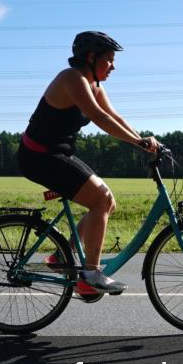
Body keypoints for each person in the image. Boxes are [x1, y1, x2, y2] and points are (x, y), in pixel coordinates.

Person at [17, 31, 159, 294]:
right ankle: (90, 276)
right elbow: (98, 118)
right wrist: (138, 144)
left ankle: (62, 257)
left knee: (107, 202)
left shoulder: (95, 84)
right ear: (91, 57)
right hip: (38, 156)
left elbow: (113, 115)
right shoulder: (72, 79)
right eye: (109, 59)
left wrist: (143, 140)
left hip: (58, 154)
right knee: (101, 200)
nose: (113, 66)